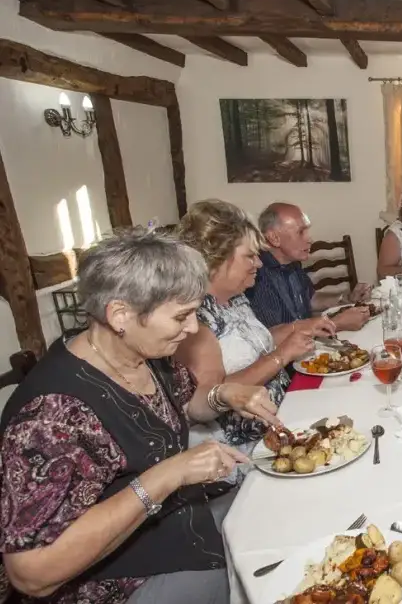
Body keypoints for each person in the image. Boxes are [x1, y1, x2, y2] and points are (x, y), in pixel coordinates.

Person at [0, 230, 282, 604]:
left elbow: (187, 406)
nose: (193, 328)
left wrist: (223, 394)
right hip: (121, 585)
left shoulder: (145, 353)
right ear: (120, 315)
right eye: (181, 316)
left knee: (277, 515)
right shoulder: (51, 415)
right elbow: (31, 573)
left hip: (180, 529)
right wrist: (166, 476)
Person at [175, 200, 335, 484]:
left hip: (282, 423)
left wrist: (296, 330)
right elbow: (208, 398)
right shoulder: (194, 319)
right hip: (244, 455)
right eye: (250, 256)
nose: (259, 263)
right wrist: (281, 356)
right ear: (216, 261)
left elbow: (254, 342)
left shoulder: (235, 298)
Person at [247, 202, 371, 333]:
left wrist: (347, 298)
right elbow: (271, 337)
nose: (309, 239)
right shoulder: (257, 276)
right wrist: (336, 324)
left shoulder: (292, 261)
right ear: (274, 238)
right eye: (301, 232)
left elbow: (310, 300)